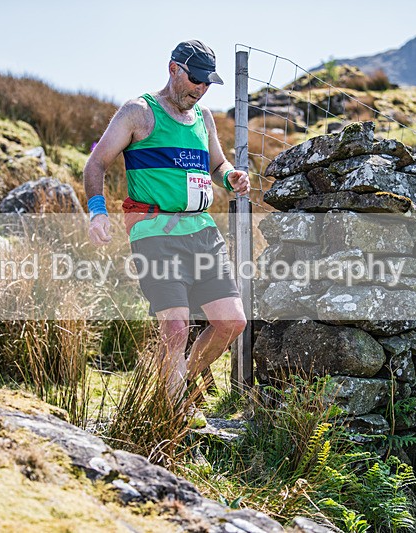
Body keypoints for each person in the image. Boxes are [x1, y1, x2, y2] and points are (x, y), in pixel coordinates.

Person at [84, 40, 250, 428]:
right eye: (195, 80)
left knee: (232, 322)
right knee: (175, 328)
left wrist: (231, 176)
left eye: (207, 83)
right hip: (154, 230)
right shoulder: (138, 112)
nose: (201, 89)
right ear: (174, 69)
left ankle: (180, 383)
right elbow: (96, 163)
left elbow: (217, 164)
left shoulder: (204, 117)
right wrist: (97, 212)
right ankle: (172, 416)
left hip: (202, 230)